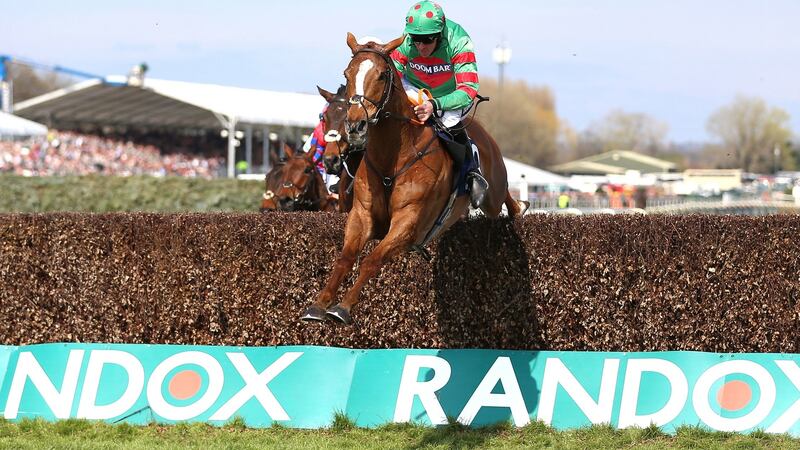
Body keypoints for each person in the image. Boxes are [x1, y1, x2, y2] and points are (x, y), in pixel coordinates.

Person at [390, 0, 488, 208]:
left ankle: (472, 171)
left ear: (440, 33)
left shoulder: (459, 40)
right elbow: (393, 75)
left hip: (452, 94)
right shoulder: (407, 40)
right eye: (416, 40)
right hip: (415, 88)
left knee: (448, 123)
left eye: (427, 40)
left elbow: (468, 89)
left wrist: (434, 104)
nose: (420, 46)